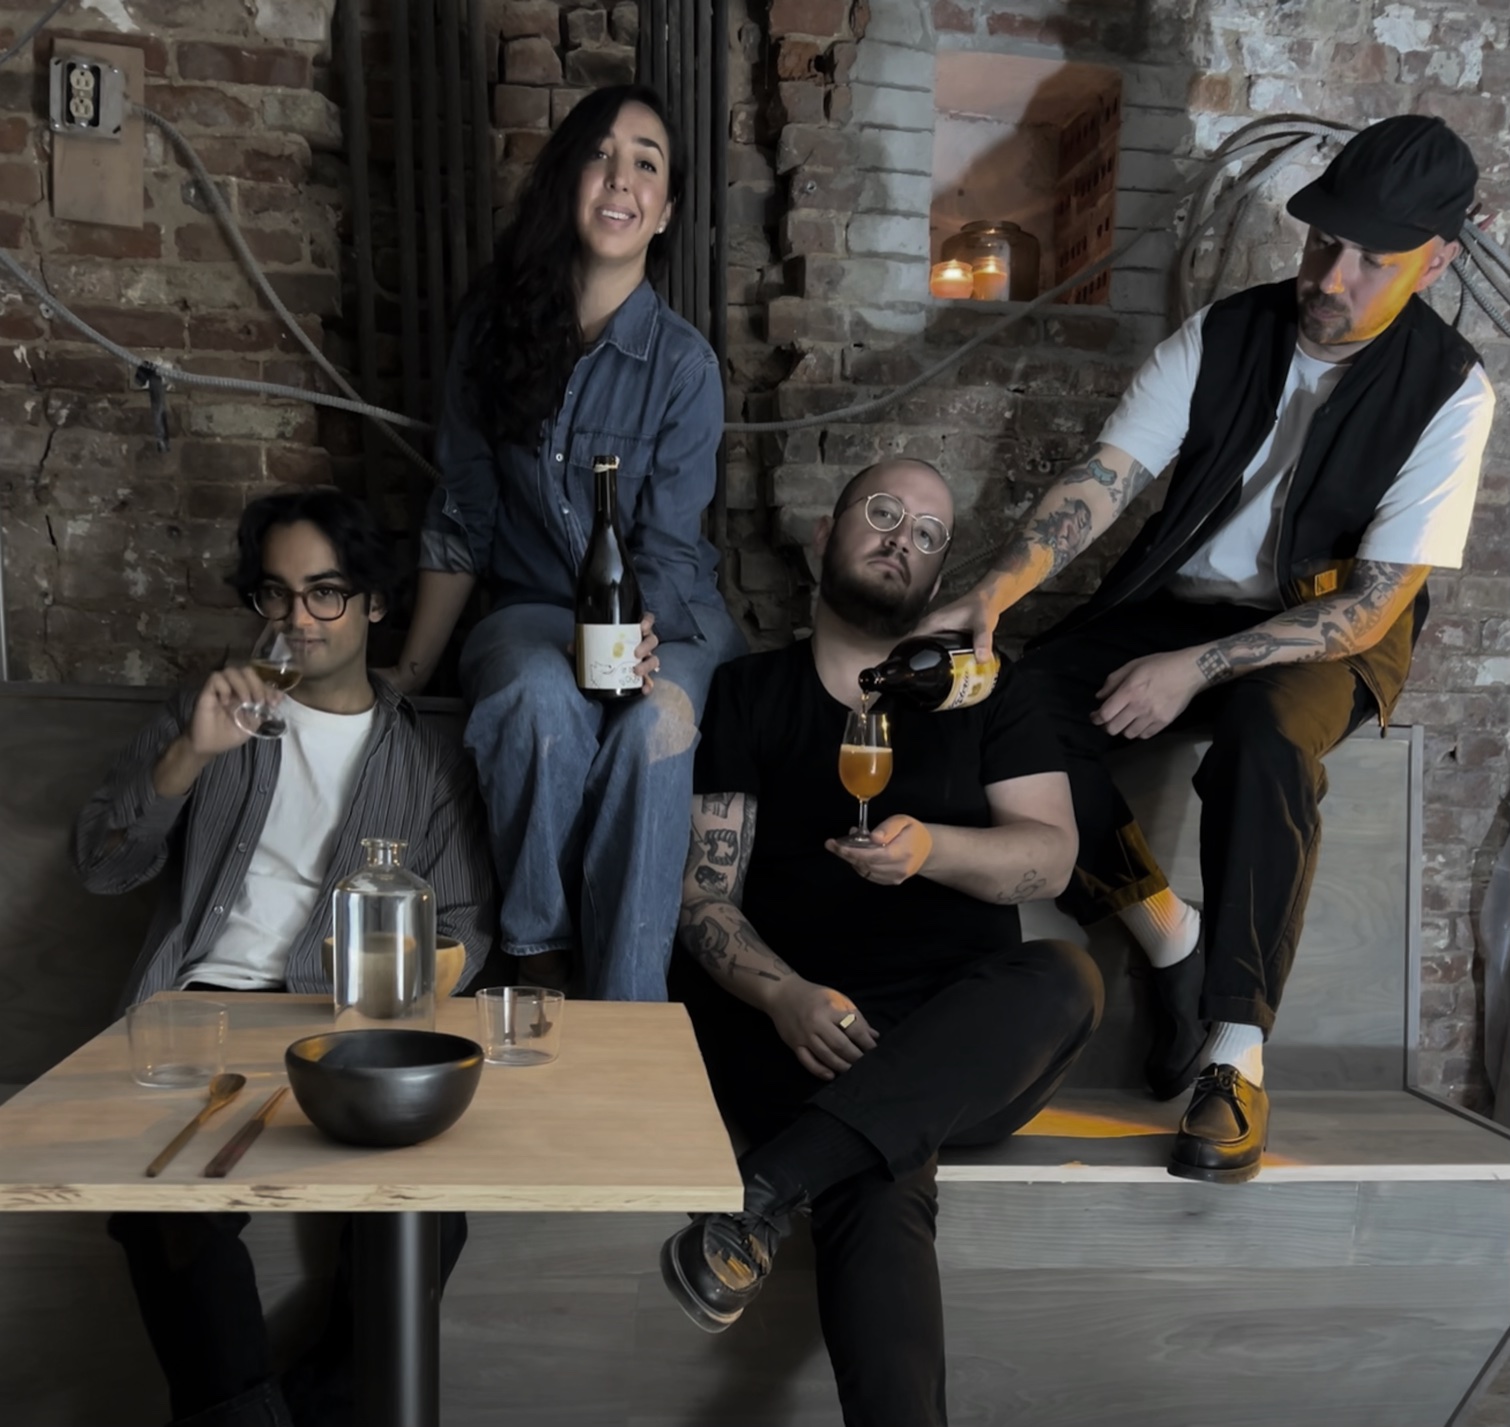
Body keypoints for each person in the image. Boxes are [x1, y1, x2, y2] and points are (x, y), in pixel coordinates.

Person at [924, 115, 1495, 1185]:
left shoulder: (1451, 390)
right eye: (1323, 242)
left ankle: (1234, 1057)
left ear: (1436, 262)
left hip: (1327, 630)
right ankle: (1167, 934)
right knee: (1018, 699)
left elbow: (1373, 607)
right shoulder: (1222, 332)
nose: (1332, 277)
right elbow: (1106, 478)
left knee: (1267, 739)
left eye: (1373, 260)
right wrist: (995, 589)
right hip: (1179, 603)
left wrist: (1196, 669)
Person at [659, 458, 1103, 1427]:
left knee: (1064, 974)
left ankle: (765, 1190)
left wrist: (934, 849)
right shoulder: (749, 693)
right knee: (877, 1163)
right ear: (826, 534)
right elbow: (704, 897)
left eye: (929, 532)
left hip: (959, 1046)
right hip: (794, 1040)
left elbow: (1051, 859)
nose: (903, 537)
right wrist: (783, 995)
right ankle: (794, 1172)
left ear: (940, 574)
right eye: (885, 512)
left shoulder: (991, 694)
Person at [76, 486, 495, 1427]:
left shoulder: (424, 760)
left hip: (341, 1024)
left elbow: (466, 926)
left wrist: (385, 992)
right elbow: (101, 864)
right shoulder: (211, 709)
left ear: (374, 603)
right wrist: (189, 754)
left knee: (433, 1220)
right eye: (277, 594)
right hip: (200, 1012)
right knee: (160, 1213)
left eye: (325, 593)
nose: (298, 619)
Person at [382, 82, 745, 1001]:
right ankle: (540, 955)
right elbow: (462, 515)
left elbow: (669, 546)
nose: (621, 179)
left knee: (655, 724)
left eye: (646, 164)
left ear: (666, 210)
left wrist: (636, 643)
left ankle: (627, 1006)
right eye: (600, 154)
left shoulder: (684, 365)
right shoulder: (492, 331)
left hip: (669, 615)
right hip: (533, 607)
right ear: (567, 180)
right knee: (537, 697)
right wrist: (411, 671)